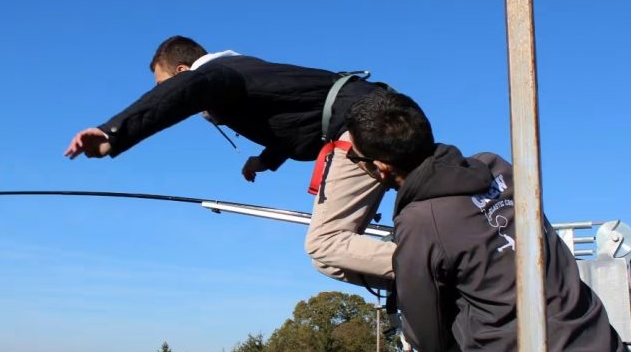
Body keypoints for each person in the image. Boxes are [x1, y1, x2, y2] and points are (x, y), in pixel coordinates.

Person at [344, 89, 631, 352]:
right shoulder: (495, 168)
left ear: (382, 167)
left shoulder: (421, 221)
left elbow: (428, 337)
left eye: (355, 158)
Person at [64, 35, 396, 288]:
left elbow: (189, 90)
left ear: (183, 74)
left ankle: (438, 267)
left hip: (362, 125)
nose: (170, 94)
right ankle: (420, 282)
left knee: (325, 246)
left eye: (167, 86)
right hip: (381, 115)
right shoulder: (244, 72)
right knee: (335, 261)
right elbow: (300, 118)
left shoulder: (215, 75)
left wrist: (113, 132)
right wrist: (264, 160)